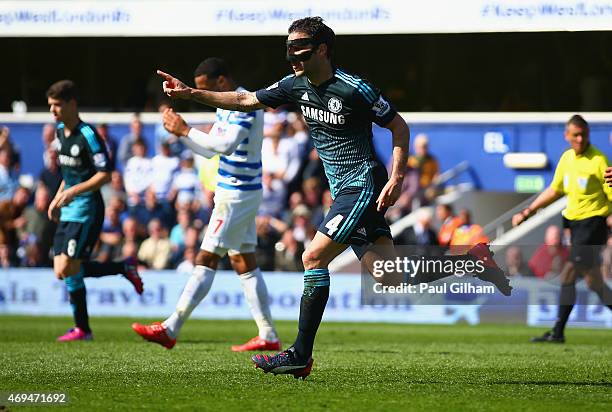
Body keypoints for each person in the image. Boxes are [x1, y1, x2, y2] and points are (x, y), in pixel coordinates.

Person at [156, 17, 509, 378]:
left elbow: (399, 127)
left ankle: (299, 353)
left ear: (322, 50)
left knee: (313, 256)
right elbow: (245, 98)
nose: (293, 57)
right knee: (389, 276)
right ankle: (472, 262)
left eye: (300, 50)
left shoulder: (356, 89)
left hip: (362, 183)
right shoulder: (294, 85)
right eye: (289, 50)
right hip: (342, 190)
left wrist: (399, 177)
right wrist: (192, 95)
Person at [132, 57, 280, 352]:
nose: (201, 95)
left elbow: (223, 147)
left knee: (207, 257)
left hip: (236, 195)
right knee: (243, 260)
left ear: (222, 82)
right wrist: (180, 134)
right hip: (238, 192)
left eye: (204, 89)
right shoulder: (225, 107)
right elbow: (210, 150)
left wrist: (185, 130)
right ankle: (268, 334)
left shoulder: (245, 105)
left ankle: (170, 328)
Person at [45, 80, 144, 341]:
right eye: (50, 106)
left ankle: (83, 329)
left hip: (87, 209)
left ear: (71, 104)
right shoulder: (59, 132)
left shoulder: (88, 134)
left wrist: (72, 193)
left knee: (69, 266)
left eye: (57, 105)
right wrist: (57, 198)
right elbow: (69, 174)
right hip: (68, 207)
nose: (53, 111)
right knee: (61, 270)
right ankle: (123, 268)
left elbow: (105, 175)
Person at [512, 115, 612, 343]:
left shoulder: (598, 160)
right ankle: (557, 332)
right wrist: (528, 211)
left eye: (583, 134)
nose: (580, 139)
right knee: (594, 283)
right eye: (575, 135)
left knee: (568, 274)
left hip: (593, 225)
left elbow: (610, 196)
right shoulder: (567, 159)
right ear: (567, 136)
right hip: (575, 225)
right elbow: (554, 190)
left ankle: (557, 332)